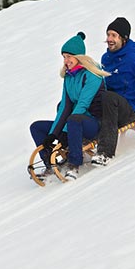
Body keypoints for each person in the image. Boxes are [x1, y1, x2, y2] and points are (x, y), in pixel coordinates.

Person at [30, 32, 110, 180]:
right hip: (74, 123)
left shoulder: (92, 75)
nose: (66, 61)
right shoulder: (69, 77)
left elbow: (82, 105)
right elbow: (65, 107)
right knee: (36, 127)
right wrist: (53, 134)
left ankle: (74, 165)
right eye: (64, 57)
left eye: (69, 57)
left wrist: (65, 133)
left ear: (79, 57)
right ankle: (50, 165)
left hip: (93, 124)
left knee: (74, 119)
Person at [91, 17, 135, 166]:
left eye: (114, 36)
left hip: (129, 109)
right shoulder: (106, 58)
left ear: (124, 39)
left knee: (109, 98)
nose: (109, 39)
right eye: (108, 34)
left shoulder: (134, 60)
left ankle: (105, 153)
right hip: (110, 108)